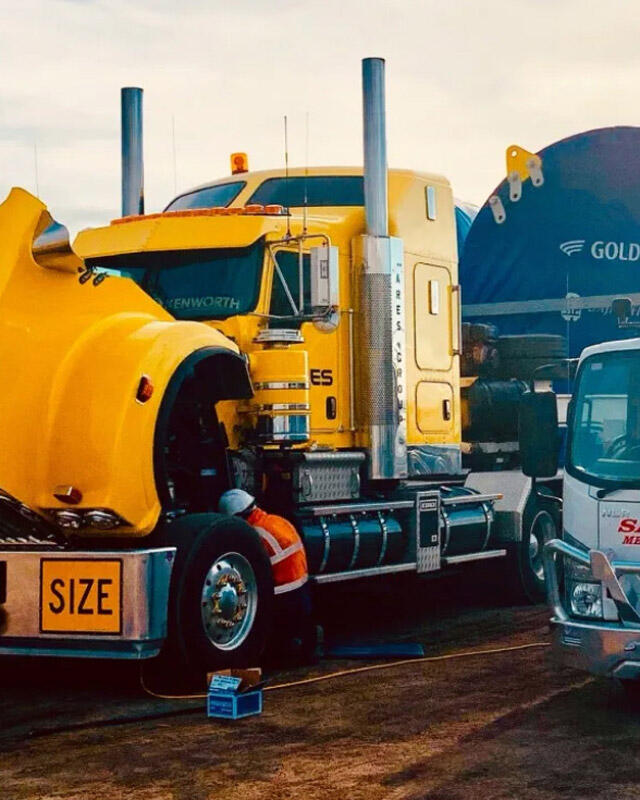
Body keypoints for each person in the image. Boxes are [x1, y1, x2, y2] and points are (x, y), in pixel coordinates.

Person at [219, 489, 317, 664]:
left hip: (283, 596)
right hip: (302, 588)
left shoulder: (254, 534)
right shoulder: (276, 521)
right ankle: (306, 650)